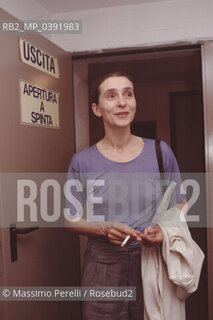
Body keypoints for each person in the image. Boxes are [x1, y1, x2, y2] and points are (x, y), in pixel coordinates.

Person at [65, 72, 186, 320]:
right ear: (96, 109)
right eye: (111, 96)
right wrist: (104, 228)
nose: (122, 102)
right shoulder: (82, 161)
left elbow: (180, 203)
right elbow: (71, 220)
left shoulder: (161, 152)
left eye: (128, 94)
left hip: (152, 260)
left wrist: (165, 231)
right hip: (103, 266)